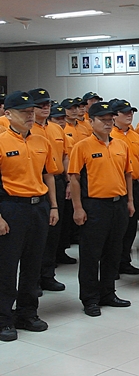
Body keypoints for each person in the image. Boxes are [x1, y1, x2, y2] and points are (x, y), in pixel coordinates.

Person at [0, 91, 60, 342]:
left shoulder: (41, 140)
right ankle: (4, 318)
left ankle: (27, 313)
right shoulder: (2, 141)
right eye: (24, 112)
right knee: (7, 265)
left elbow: (48, 174)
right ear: (8, 114)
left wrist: (53, 206)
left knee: (33, 263)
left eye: (31, 111)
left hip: (38, 207)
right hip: (11, 207)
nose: (30, 116)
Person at [68, 102, 135, 317]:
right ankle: (90, 298)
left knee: (114, 251)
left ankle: (108, 293)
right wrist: (78, 208)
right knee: (91, 254)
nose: (108, 123)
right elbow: (74, 179)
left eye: (110, 119)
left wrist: (130, 201)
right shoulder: (82, 146)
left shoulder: (121, 145)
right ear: (91, 121)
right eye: (103, 120)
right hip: (95, 206)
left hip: (118, 204)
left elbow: (128, 174)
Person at [29, 89, 71, 293]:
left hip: (56, 181)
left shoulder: (56, 128)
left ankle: (47, 274)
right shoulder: (27, 130)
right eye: (41, 105)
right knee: (36, 235)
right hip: (34, 182)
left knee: (54, 230)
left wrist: (69, 180)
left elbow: (65, 155)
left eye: (48, 104)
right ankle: (33, 279)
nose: (45, 108)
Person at [110, 99, 139, 276]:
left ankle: (125, 261)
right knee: (116, 229)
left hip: (135, 184)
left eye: (131, 112)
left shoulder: (136, 136)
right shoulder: (110, 135)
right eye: (125, 112)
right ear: (114, 116)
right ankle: (112, 264)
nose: (129, 115)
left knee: (131, 227)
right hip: (117, 186)